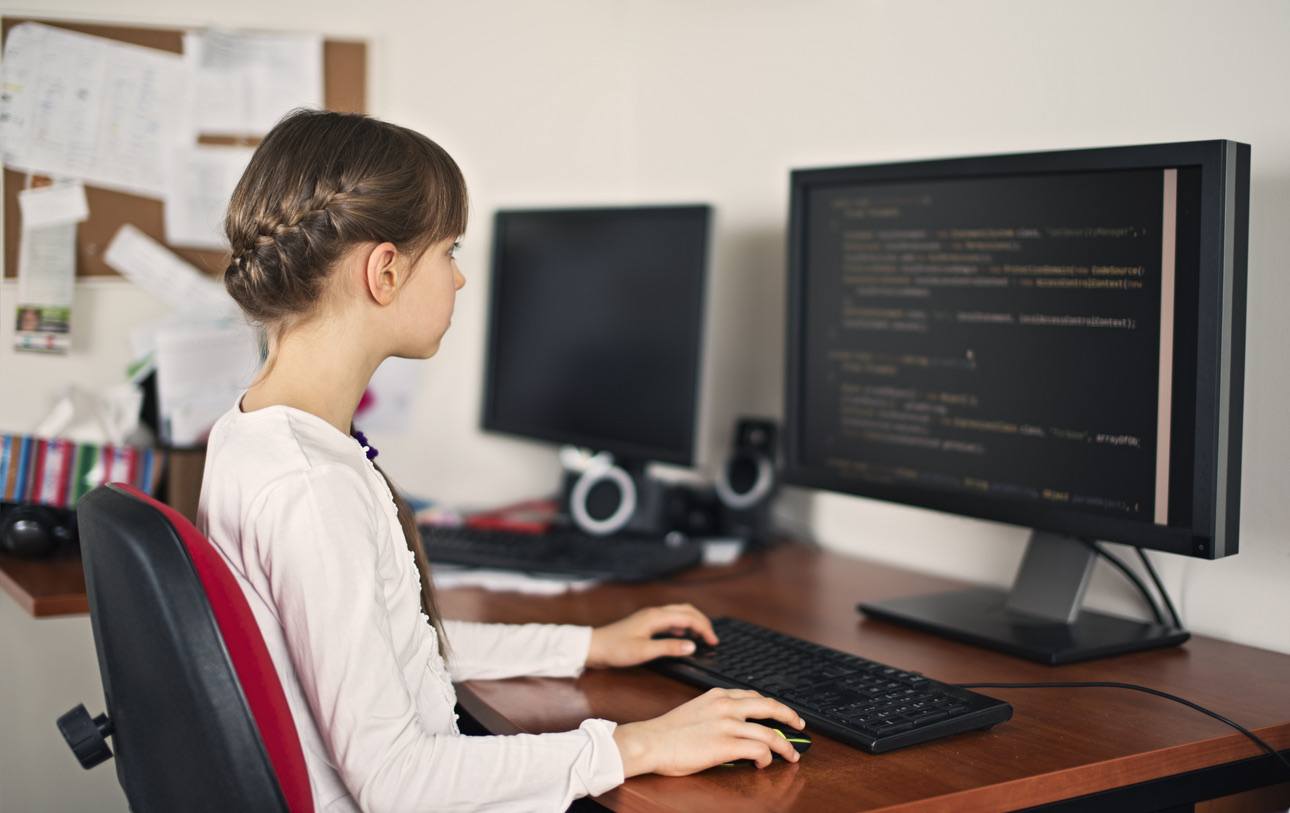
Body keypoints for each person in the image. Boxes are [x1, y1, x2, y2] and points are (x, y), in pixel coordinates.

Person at [198, 109, 804, 813]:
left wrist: (582, 645)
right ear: (385, 271)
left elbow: (394, 653)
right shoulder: (313, 489)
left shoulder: (252, 435)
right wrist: (636, 745)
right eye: (450, 251)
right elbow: (398, 783)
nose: (458, 280)